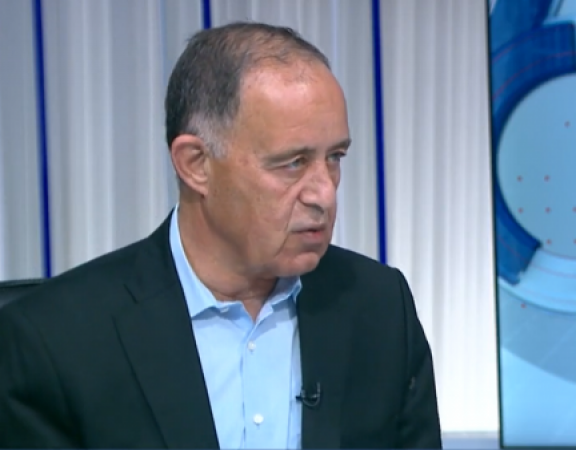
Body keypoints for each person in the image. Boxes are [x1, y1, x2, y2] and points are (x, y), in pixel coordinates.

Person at [0, 22, 441, 449]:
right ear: (196, 164)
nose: (324, 193)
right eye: (293, 163)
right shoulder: (54, 340)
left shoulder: (381, 308)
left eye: (335, 158)